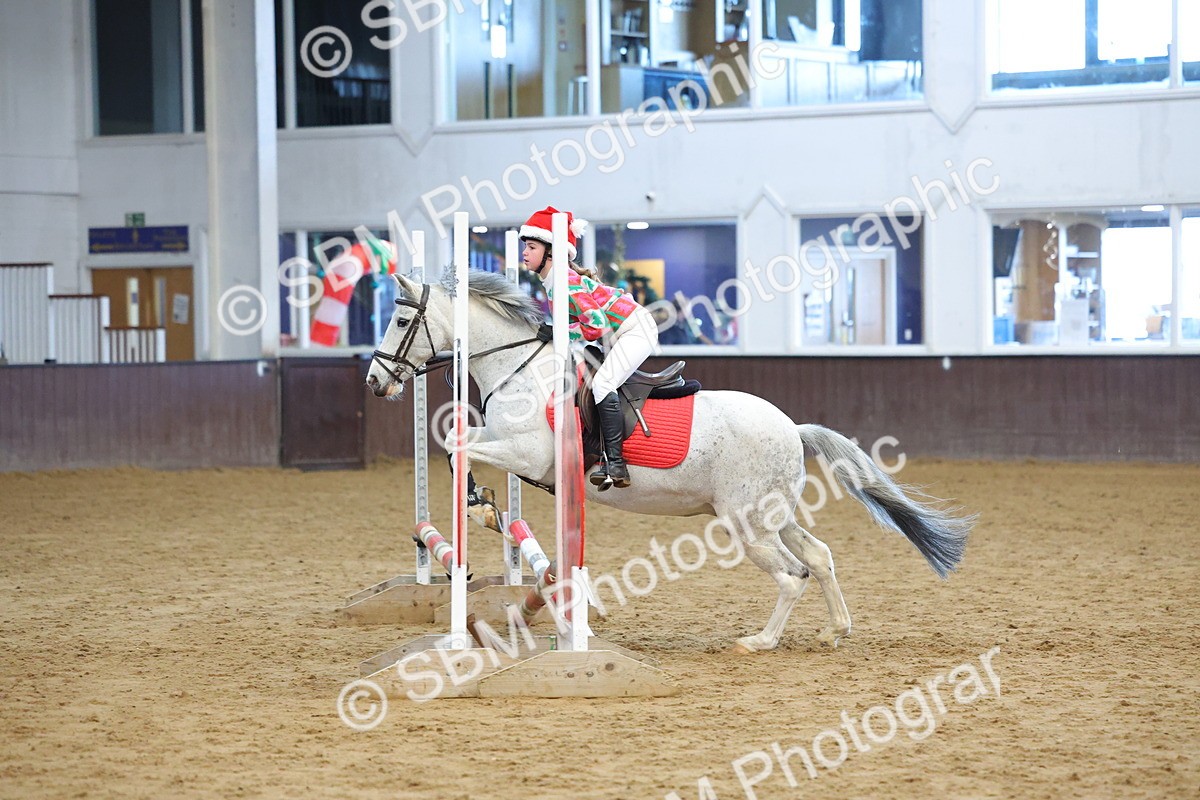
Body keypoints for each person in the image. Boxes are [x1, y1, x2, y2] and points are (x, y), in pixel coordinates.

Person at [519, 206, 659, 489]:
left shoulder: (565, 282)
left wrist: (560, 330)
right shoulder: (552, 282)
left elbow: (595, 325)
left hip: (635, 330)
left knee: (603, 384)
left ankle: (616, 463)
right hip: (619, 334)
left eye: (531, 246)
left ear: (550, 252)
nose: (525, 253)